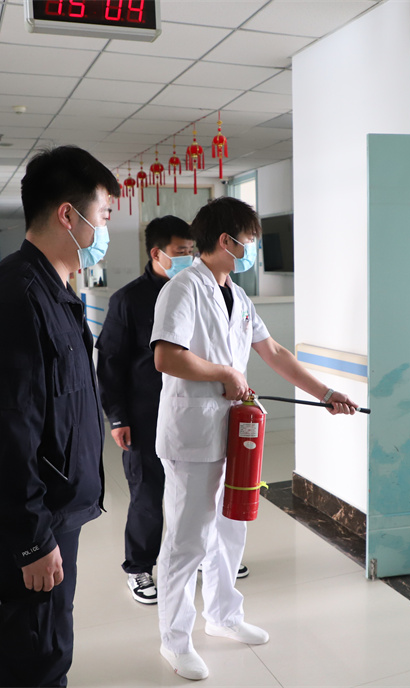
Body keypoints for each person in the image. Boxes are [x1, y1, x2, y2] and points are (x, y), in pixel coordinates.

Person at [151, 197, 358, 681]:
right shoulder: (183, 289)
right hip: (192, 434)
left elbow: (275, 352)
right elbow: (166, 356)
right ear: (227, 241)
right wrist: (225, 373)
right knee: (187, 540)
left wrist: (326, 393)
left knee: (231, 528)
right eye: (250, 241)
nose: (253, 251)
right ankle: (174, 640)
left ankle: (223, 616)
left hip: (235, 431)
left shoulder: (238, 297)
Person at [0, 145, 118, 687]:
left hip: (50, 516)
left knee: (46, 655)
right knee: (31, 668)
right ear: (68, 215)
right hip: (22, 529)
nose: (105, 231)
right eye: (103, 216)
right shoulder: (17, 300)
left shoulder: (55, 292)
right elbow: (1, 433)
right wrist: (32, 540)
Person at [96, 216, 197, 605]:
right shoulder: (129, 300)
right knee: (148, 494)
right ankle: (139, 566)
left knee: (195, 491)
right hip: (145, 414)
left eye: (191, 251)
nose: (189, 258)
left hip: (192, 409)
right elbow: (110, 363)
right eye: (181, 252)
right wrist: (118, 417)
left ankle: (195, 557)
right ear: (157, 253)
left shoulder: (196, 292)